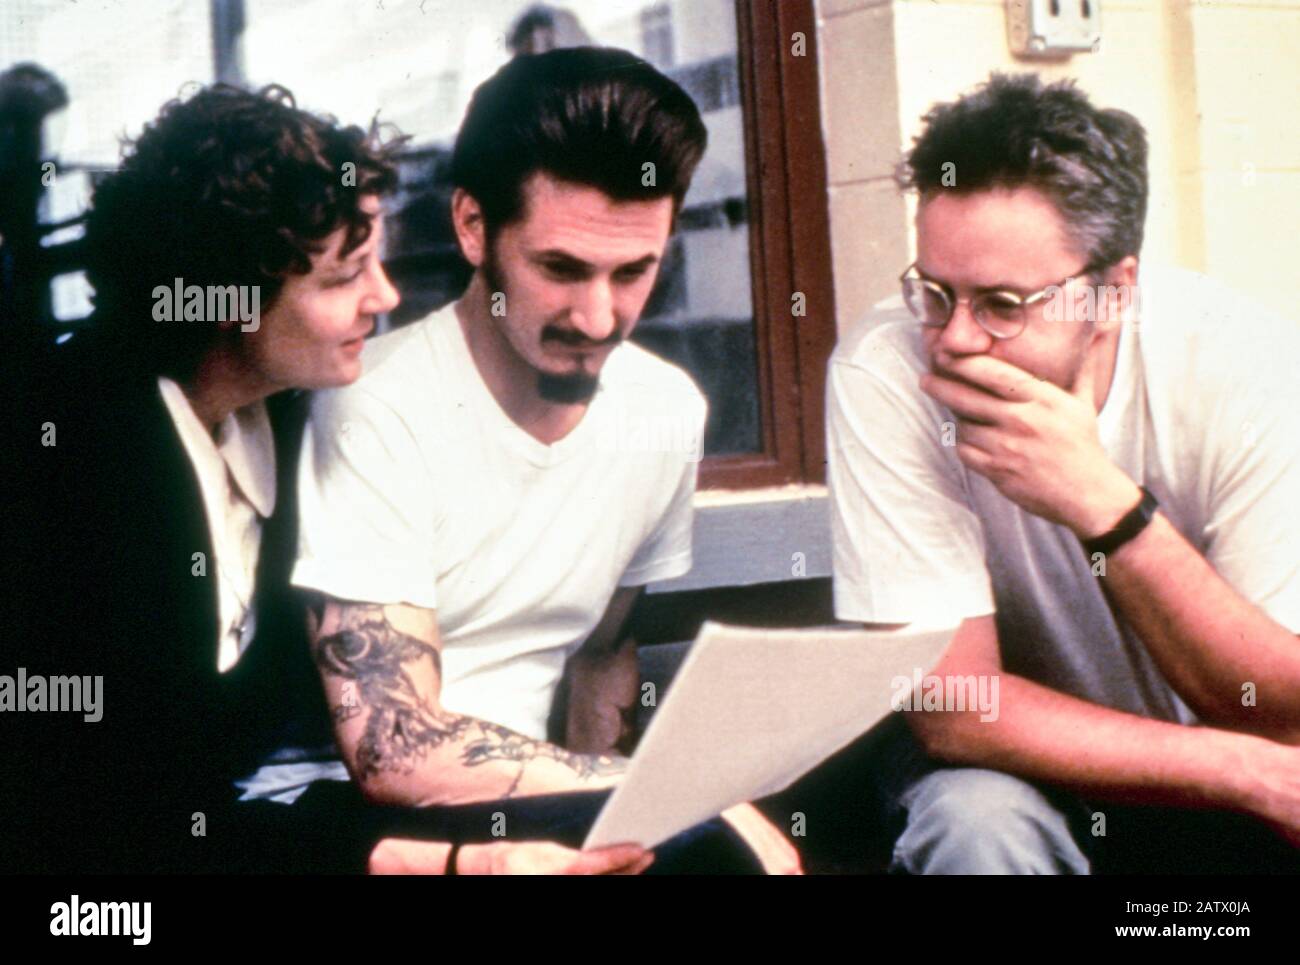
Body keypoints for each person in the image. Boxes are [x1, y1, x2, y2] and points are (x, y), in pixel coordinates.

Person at [6, 83, 649, 875]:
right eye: (346, 276)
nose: (384, 297)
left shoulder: (276, 417)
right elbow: (102, 821)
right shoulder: (66, 464)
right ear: (227, 299)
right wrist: (446, 867)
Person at [280, 47, 801, 874]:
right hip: (363, 824)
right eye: (560, 268)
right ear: (473, 226)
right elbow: (394, 750)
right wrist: (676, 798)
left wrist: (629, 824)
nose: (598, 316)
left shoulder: (663, 413)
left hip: (542, 809)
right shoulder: (373, 402)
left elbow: (601, 657)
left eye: (635, 271)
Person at [826, 73, 1300, 874]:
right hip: (1031, 775)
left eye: (1003, 304)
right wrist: (1240, 769)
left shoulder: (1245, 363)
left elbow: (1276, 700)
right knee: (976, 823)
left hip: (1245, 770)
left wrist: (1106, 507)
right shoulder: (885, 370)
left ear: (1111, 293)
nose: (955, 339)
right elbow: (954, 708)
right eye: (936, 292)